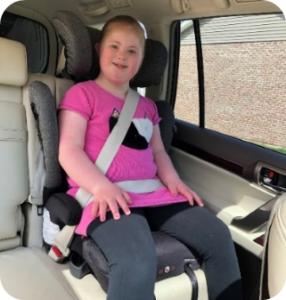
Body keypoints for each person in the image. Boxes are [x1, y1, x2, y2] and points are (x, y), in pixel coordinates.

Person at [58, 15, 243, 300]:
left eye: (132, 51)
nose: (122, 56)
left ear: (142, 59)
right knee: (136, 260)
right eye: (114, 47)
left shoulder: (146, 107)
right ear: (98, 49)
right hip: (104, 194)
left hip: (154, 193)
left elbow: (158, 151)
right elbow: (69, 150)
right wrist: (100, 187)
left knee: (218, 235)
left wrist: (173, 181)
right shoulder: (82, 94)